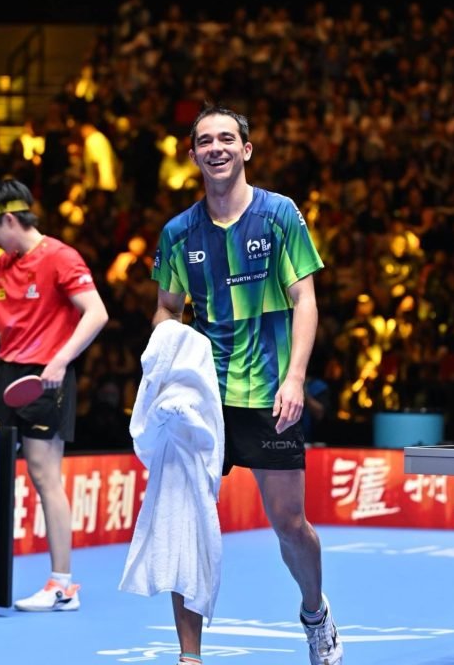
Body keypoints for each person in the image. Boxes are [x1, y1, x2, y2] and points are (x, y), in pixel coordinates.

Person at [152, 106, 343, 665]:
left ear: (246, 150)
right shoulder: (178, 233)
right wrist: (171, 369)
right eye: (205, 140)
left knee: (290, 526)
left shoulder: (280, 215)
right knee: (187, 525)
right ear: (193, 155)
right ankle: (190, 657)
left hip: (269, 396)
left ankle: (315, 613)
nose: (216, 148)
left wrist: (296, 378)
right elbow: (166, 310)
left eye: (227, 139)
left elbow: (305, 298)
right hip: (204, 400)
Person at [0, 179, 108, 612]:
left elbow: (96, 313)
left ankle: (63, 585)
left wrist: (61, 360)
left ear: (9, 219)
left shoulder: (60, 257)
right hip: (6, 373)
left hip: (47, 376)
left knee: (44, 474)